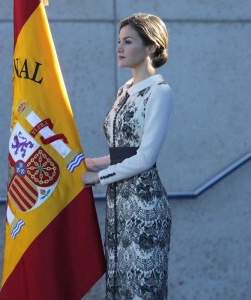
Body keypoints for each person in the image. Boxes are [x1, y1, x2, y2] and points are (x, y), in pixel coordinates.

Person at [82, 13, 174, 300]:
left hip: (144, 206)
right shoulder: (124, 91)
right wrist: (86, 164)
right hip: (118, 204)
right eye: (119, 41)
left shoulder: (160, 92)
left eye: (128, 41)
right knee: (118, 289)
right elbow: (122, 152)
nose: (119, 48)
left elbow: (145, 157)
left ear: (150, 48)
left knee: (141, 291)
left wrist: (97, 177)